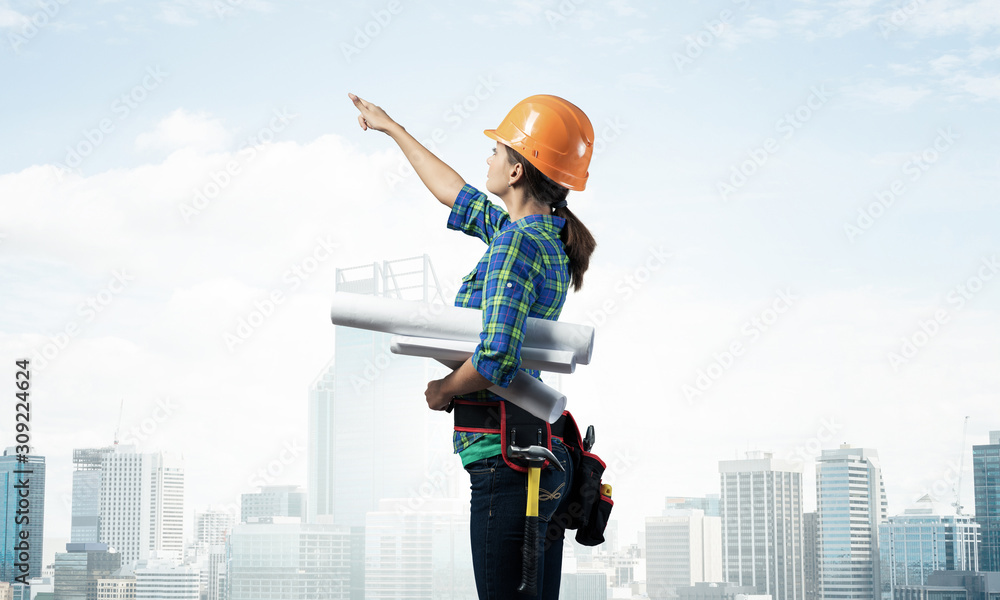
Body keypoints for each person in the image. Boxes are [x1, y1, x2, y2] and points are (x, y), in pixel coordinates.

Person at [349, 92, 597, 599]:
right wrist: (393, 128)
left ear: (515, 172)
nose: (488, 157)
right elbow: (455, 194)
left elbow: (496, 357)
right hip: (541, 455)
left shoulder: (515, 243)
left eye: (497, 150)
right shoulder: (540, 235)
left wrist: (442, 390)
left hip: (506, 462)